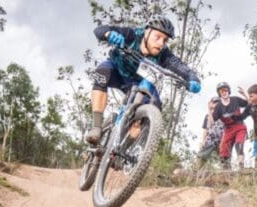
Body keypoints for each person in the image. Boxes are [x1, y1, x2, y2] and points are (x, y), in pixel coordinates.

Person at [85, 15, 201, 144]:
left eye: (165, 40)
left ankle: (124, 148)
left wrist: (193, 79)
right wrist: (109, 34)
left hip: (136, 83)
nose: (161, 43)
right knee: (103, 71)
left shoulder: (164, 54)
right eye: (157, 37)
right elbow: (100, 30)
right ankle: (96, 127)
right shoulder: (131, 35)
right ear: (147, 32)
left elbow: (180, 66)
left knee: (155, 103)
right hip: (117, 71)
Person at [212, 82, 248, 169]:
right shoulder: (218, 107)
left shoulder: (235, 99)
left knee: (239, 146)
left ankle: (241, 166)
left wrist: (245, 94)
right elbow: (211, 122)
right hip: (228, 129)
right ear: (219, 93)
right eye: (221, 91)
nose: (224, 92)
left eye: (225, 90)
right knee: (224, 151)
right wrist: (209, 110)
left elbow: (248, 103)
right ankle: (226, 170)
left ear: (228, 91)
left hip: (239, 126)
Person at [196, 97, 224, 168]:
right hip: (210, 140)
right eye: (214, 102)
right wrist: (203, 141)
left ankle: (228, 175)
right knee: (201, 157)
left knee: (224, 160)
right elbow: (205, 129)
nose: (216, 104)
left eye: (218, 103)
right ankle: (197, 173)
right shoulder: (207, 116)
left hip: (222, 141)